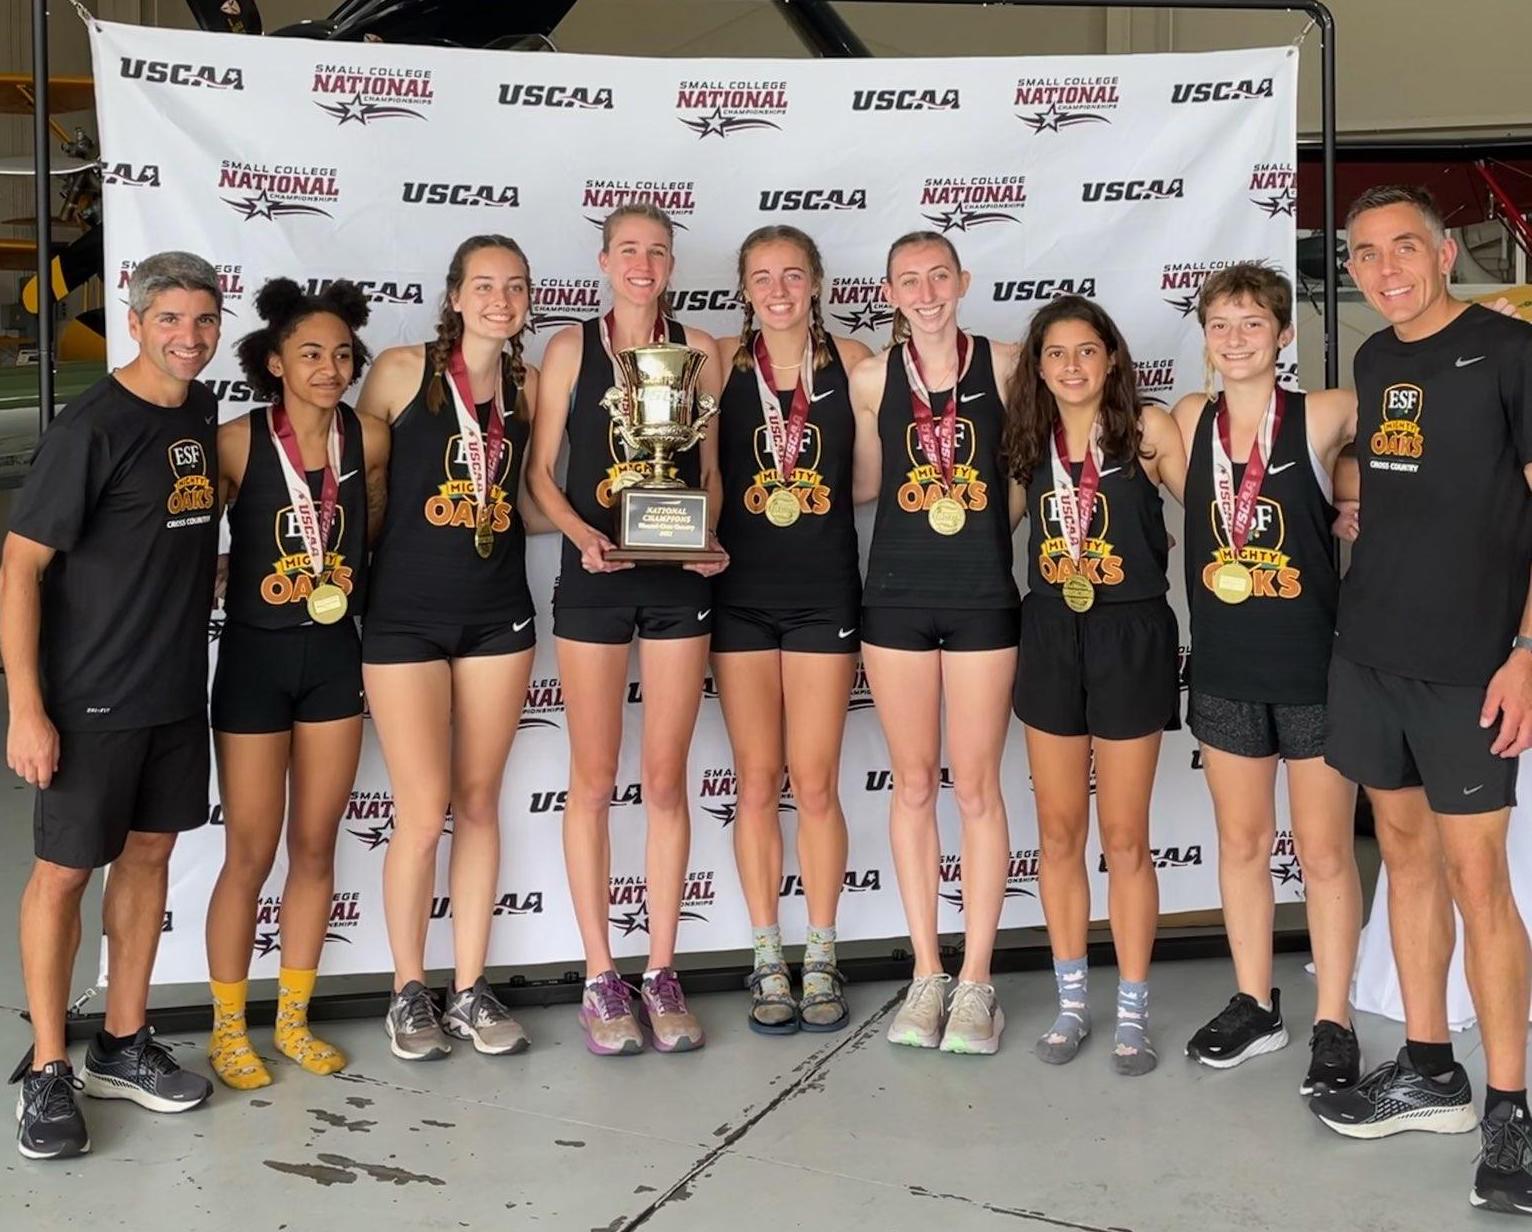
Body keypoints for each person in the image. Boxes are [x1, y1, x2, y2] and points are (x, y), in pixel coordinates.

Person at [1308, 184, 1532, 1217]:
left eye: (1403, 246)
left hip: (1468, 662)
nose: (1384, 266)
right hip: (1370, 652)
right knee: (1399, 856)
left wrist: (1524, 647)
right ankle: (1429, 1067)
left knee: (1475, 873)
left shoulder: (1507, 348)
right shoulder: (1370, 358)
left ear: (1446, 250)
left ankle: (1508, 1106)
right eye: (1362, 253)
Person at [3, 252, 223, 1158]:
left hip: (174, 689)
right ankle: (50, 1068)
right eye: (170, 319)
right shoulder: (90, 427)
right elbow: (19, 565)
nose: (189, 338)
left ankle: (122, 1044)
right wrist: (26, 706)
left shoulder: (204, 413)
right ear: (135, 321)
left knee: (149, 854)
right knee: (64, 874)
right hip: (89, 697)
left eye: (204, 322)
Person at [527, 203, 726, 1056]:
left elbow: (711, 470)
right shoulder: (570, 348)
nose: (643, 264)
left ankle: (663, 968)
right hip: (596, 578)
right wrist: (583, 537)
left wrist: (710, 534)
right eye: (629, 252)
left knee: (668, 777)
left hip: (679, 579)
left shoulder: (703, 350)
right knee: (594, 777)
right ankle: (602, 972)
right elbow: (539, 472)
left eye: (657, 253)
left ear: (672, 264)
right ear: (605, 262)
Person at [1172, 264, 1365, 1096]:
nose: (1237, 338)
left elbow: (1417, 405)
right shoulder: (1186, 419)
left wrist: (1355, 494)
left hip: (1316, 668)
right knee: (1244, 845)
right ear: (1205, 338)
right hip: (1224, 668)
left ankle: (1336, 1020)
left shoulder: (1323, 412)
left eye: (1253, 324)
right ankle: (1256, 1001)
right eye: (1221, 324)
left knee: (1323, 853)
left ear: (1284, 336)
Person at [357, 234, 545, 1062]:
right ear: (455, 295)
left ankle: (467, 987)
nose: (499, 299)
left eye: (514, 286)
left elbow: (531, 501)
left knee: (478, 802)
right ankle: (408, 989)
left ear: (528, 299)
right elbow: (353, 485)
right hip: (403, 618)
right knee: (421, 810)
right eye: (483, 285)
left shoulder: (530, 385)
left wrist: (623, 529)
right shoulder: (403, 371)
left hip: (498, 615)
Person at [202, 278, 388, 1089]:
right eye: (310, 353)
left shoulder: (371, 439)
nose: (329, 367)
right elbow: (177, 531)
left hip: (332, 659)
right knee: (250, 851)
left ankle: (292, 1019)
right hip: (251, 661)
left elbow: (374, 520)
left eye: (342, 353)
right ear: (274, 362)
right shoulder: (235, 442)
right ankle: (226, 1027)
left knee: (315, 849)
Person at [1002, 295, 1186, 1077]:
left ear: (1111, 357)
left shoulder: (1149, 431)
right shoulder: (1026, 442)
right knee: (1057, 835)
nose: (1071, 366)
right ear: (1037, 367)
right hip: (1049, 632)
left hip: (1132, 635)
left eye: (1086, 351)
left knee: (1125, 837)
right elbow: (982, 532)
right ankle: (1074, 1001)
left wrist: (1342, 499)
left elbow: (1221, 513)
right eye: (1055, 354)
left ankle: (1134, 1009)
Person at [850, 231, 1022, 1056]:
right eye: (908, 280)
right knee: (915, 784)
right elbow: (859, 484)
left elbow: (1035, 468)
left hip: (984, 598)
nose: (925, 293)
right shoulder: (871, 377)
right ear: (888, 291)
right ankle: (927, 972)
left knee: (977, 788)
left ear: (964, 281)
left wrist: (986, 528)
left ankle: (978, 980)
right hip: (893, 601)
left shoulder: (1011, 363)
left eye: (938, 277)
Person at [711, 225, 871, 1034]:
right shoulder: (714, 366)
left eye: (793, 274)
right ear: (743, 287)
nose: (778, 289)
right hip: (737, 594)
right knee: (754, 780)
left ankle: (820, 952)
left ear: (817, 281)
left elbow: (869, 478)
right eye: (762, 276)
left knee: (813, 782)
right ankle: (766, 953)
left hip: (823, 592)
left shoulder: (855, 363)